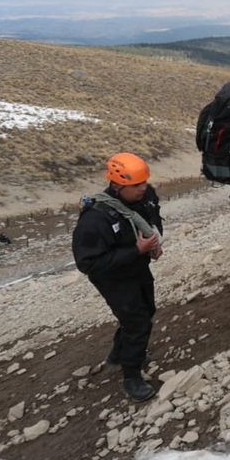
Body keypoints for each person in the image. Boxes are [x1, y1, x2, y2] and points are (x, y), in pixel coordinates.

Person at [72, 153, 164, 402]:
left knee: (147, 309)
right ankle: (131, 375)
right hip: (112, 278)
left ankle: (117, 352)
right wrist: (137, 250)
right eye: (136, 185)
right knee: (137, 322)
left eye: (144, 182)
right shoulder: (95, 219)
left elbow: (153, 218)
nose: (143, 188)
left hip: (137, 267)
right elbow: (88, 263)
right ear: (116, 185)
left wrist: (155, 242)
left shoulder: (143, 198)